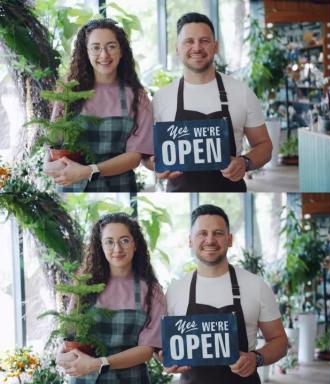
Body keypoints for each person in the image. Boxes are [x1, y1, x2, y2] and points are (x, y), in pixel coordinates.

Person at [163, 204, 287, 383]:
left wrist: (256, 358)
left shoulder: (256, 285)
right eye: (202, 233)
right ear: (190, 240)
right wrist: (166, 360)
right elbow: (161, 349)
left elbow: (279, 341)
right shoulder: (175, 291)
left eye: (218, 233)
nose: (210, 240)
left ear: (230, 239)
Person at [150, 13, 273, 192]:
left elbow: (264, 146)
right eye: (189, 41)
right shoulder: (162, 98)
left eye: (205, 41)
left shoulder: (241, 92)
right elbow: (146, 155)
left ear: (216, 46)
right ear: (177, 48)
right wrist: (155, 165)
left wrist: (245, 162)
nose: (197, 47)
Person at [44, 18, 154, 192]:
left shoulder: (137, 96)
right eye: (96, 47)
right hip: (72, 189)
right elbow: (52, 146)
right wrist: (48, 166)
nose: (104, 55)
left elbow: (135, 157)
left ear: (121, 51)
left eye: (111, 46)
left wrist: (88, 171)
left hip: (118, 187)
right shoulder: (68, 93)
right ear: (85, 52)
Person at [57, 213, 166, 383]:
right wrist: (60, 356)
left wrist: (98, 363)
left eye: (124, 240)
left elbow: (146, 350)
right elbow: (70, 335)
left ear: (135, 244)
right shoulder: (84, 285)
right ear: (100, 246)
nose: (117, 249)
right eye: (109, 242)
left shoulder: (151, 291)